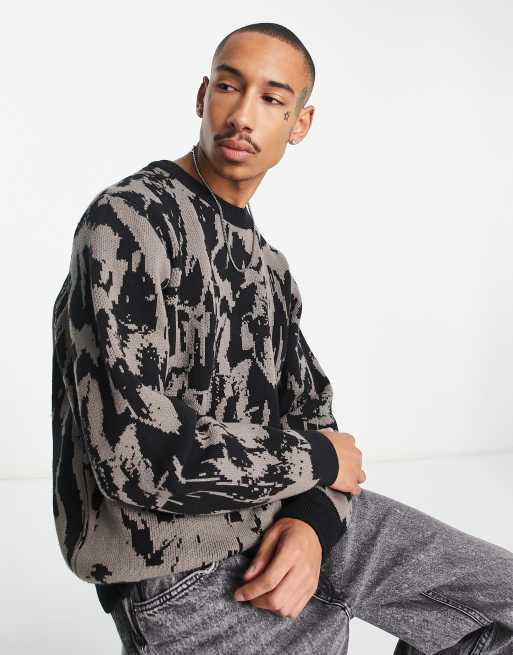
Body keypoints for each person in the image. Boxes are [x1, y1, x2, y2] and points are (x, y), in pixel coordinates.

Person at [51, 22, 513, 655]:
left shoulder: (269, 268)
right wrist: (315, 462)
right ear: (202, 96)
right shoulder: (131, 223)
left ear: (300, 123)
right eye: (228, 87)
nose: (243, 116)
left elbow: (315, 416)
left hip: (287, 524)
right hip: (180, 574)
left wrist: (313, 520)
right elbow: (136, 455)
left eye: (272, 99)